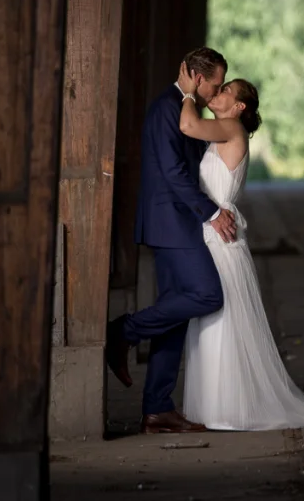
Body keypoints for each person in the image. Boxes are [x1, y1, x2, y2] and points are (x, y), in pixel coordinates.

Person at [173, 62, 304, 430]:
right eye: (219, 87)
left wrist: (188, 90)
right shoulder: (226, 130)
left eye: (226, 90)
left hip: (220, 237)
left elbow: (187, 125)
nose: (219, 92)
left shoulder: (229, 127)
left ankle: (229, 408)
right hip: (214, 232)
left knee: (220, 320)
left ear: (239, 106)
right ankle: (217, 407)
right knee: (214, 321)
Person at [105, 47, 237, 434]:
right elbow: (176, 174)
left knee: (174, 315)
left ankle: (157, 409)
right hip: (172, 222)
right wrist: (212, 214)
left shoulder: (187, 110)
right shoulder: (167, 107)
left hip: (179, 222)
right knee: (208, 295)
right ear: (199, 78)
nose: (216, 92)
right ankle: (123, 331)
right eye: (215, 84)